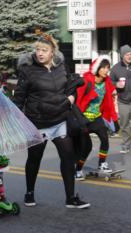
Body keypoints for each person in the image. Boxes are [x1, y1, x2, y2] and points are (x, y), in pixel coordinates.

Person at [13, 32, 90, 209]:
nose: (40, 53)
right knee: (34, 159)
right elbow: (19, 98)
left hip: (60, 121)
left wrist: (70, 99)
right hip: (37, 123)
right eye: (38, 49)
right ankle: (29, 193)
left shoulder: (61, 67)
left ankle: (71, 198)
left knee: (68, 158)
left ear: (52, 52)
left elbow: (71, 88)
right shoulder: (27, 70)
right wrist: (13, 121)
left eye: (44, 50)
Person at [74, 55, 118, 180]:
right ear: (97, 68)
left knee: (105, 139)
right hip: (84, 119)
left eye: (108, 68)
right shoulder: (87, 81)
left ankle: (102, 164)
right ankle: (78, 170)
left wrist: (114, 119)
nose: (106, 70)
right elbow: (77, 102)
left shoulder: (107, 82)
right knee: (85, 148)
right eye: (103, 68)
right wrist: (77, 119)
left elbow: (109, 104)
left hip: (97, 117)